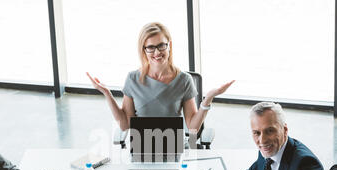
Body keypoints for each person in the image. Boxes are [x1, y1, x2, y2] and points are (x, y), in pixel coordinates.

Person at [86, 22, 234, 135]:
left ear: (169, 45)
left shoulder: (184, 80)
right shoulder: (132, 79)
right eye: (150, 47)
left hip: (172, 146)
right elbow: (125, 125)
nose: (157, 52)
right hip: (141, 147)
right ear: (143, 50)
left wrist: (208, 99)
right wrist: (106, 93)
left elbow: (193, 127)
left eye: (161, 45)